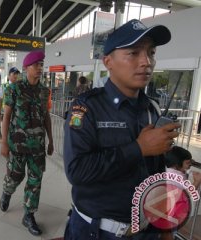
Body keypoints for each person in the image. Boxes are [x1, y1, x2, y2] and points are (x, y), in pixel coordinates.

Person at [63, 19, 181, 239]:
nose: (146, 61)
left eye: (151, 53)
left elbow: (156, 173)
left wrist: (166, 225)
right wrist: (138, 148)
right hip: (97, 231)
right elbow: (76, 171)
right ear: (108, 62)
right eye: (134, 53)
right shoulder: (86, 108)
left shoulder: (152, 109)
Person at [0, 50, 54, 236]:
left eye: (41, 65)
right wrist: (4, 143)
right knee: (15, 176)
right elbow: (6, 117)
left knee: (35, 179)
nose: (40, 68)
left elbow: (46, 116)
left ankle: (29, 215)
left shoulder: (44, 91)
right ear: (26, 68)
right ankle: (7, 191)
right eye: (36, 65)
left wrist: (51, 140)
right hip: (17, 145)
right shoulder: (13, 89)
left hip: (37, 145)